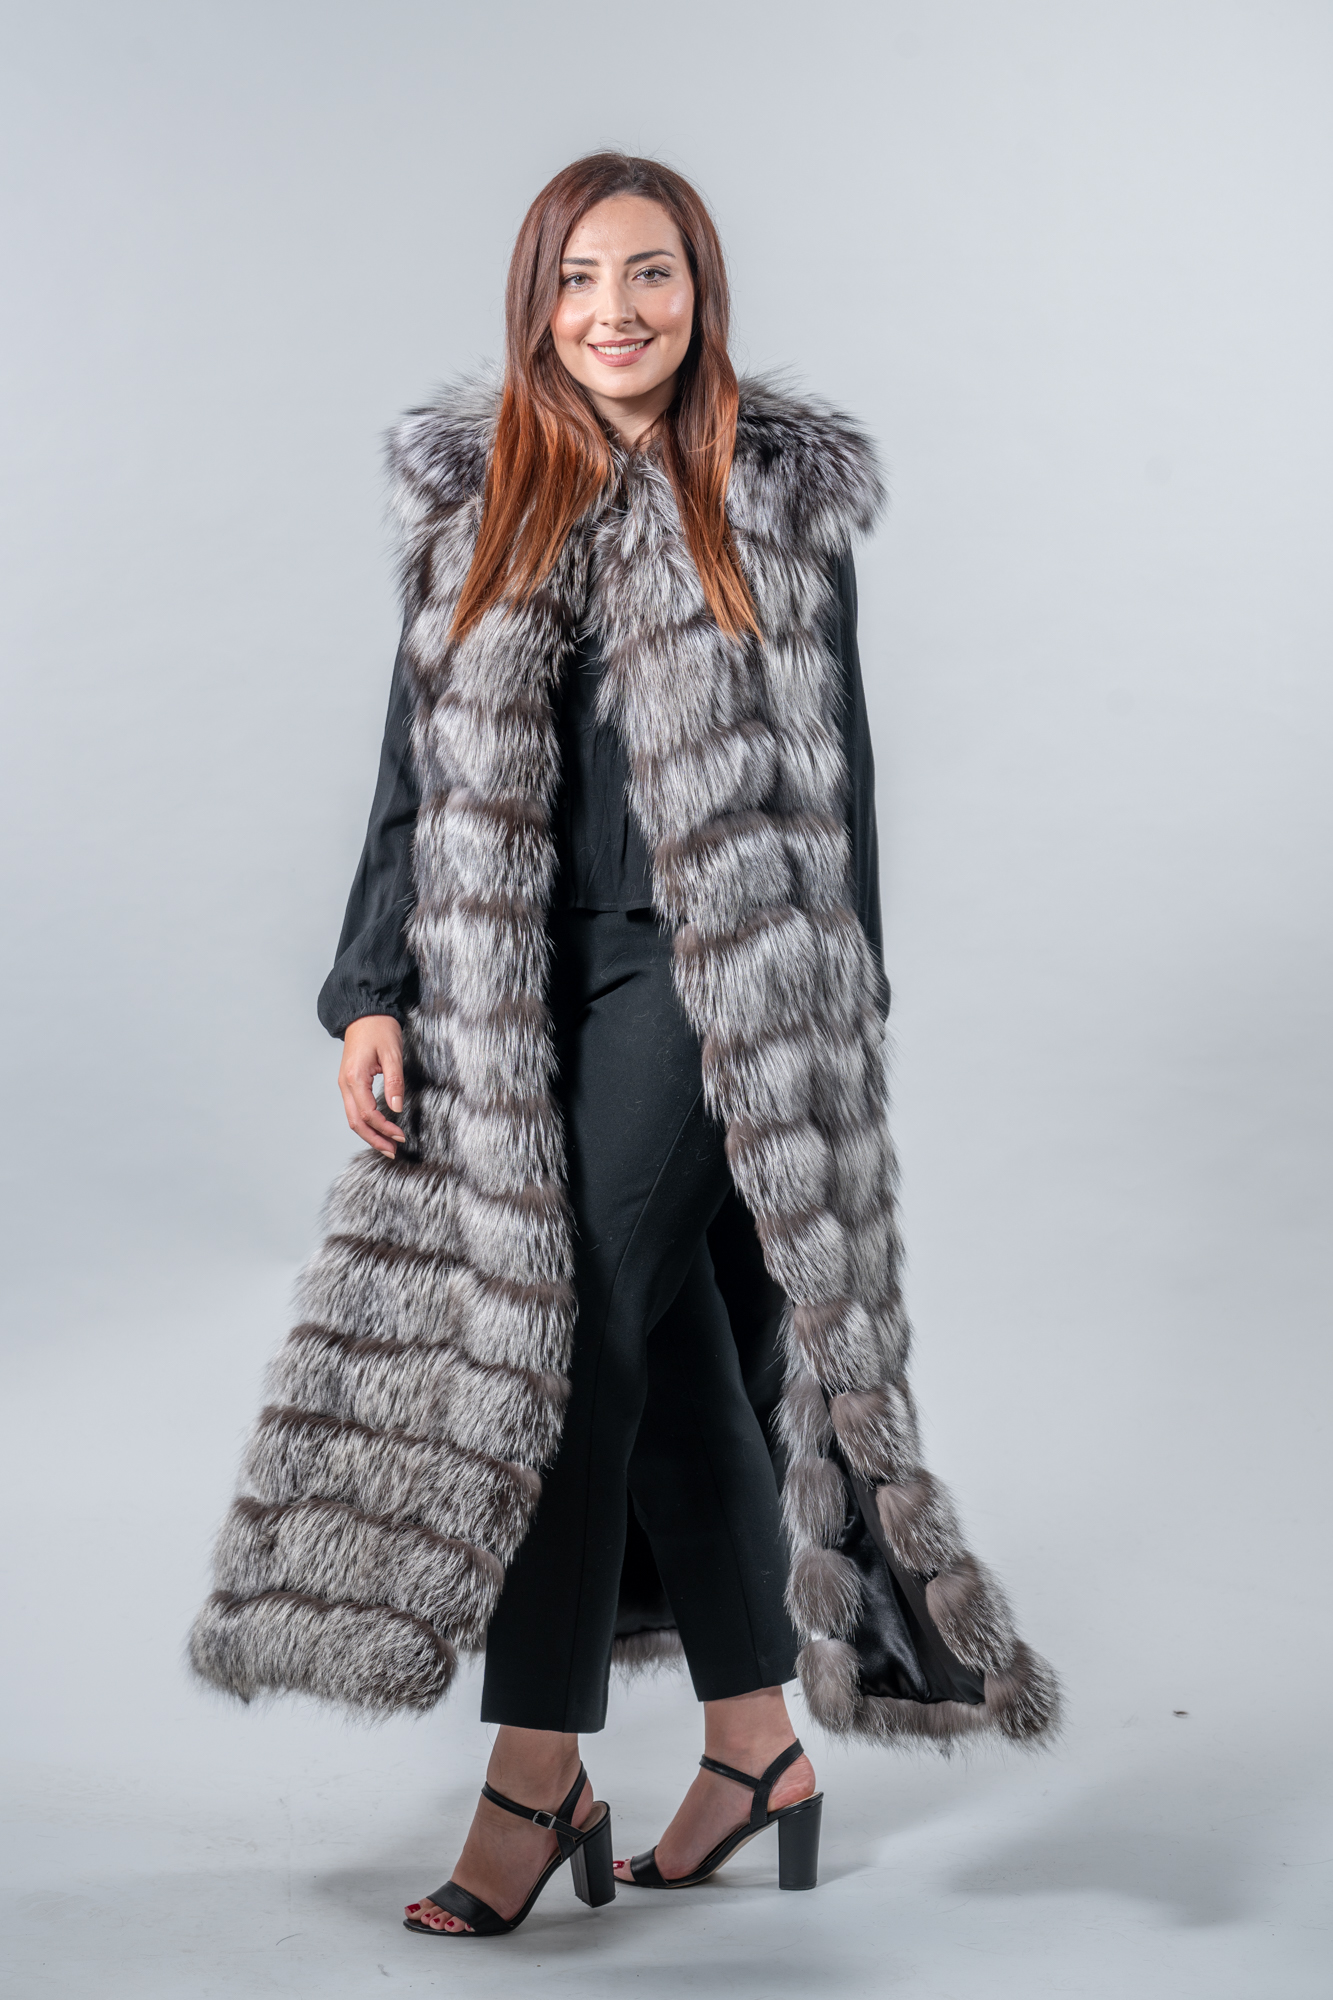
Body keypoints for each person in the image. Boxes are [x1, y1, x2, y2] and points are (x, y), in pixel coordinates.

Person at [190, 151, 1058, 1943]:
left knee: (566, 1325)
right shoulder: (474, 500)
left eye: (650, 273)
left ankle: (534, 1773)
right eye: (581, 278)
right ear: (537, 304)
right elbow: (411, 773)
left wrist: (831, 1019)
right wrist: (370, 990)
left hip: (706, 974)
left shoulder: (770, 495)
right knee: (661, 1340)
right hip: (510, 977)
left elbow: (835, 780)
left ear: (698, 292)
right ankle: (755, 1749)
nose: (616, 310)